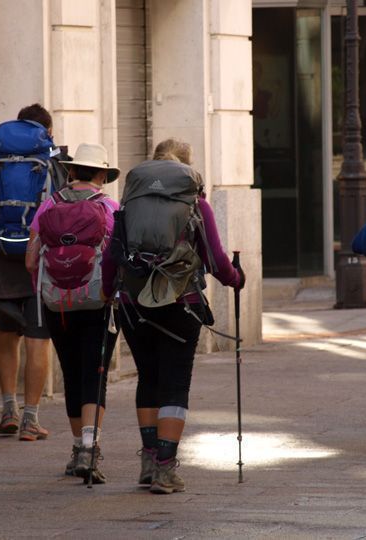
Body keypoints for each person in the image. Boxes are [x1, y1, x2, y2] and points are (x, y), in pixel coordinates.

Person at [111, 139, 245, 494]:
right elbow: (216, 260)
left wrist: (109, 293)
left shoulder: (130, 203)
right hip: (180, 304)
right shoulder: (196, 204)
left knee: (148, 378)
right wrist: (237, 278)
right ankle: (165, 470)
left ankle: (148, 459)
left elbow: (113, 255)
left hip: (132, 304)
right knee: (175, 383)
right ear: (186, 169)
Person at [26, 143, 120, 484]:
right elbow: (117, 257)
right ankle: (90, 450)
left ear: (70, 172)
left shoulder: (48, 205)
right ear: (101, 175)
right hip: (100, 303)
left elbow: (30, 259)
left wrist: (52, 283)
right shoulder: (110, 207)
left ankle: (77, 448)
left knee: (71, 373)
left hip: (57, 305)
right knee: (95, 374)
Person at [0, 103, 69, 441]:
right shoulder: (53, 160)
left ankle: (8, 408)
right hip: (42, 260)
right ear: (47, 131)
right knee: (38, 338)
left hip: (2, 254)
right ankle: (30, 419)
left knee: (7, 334)